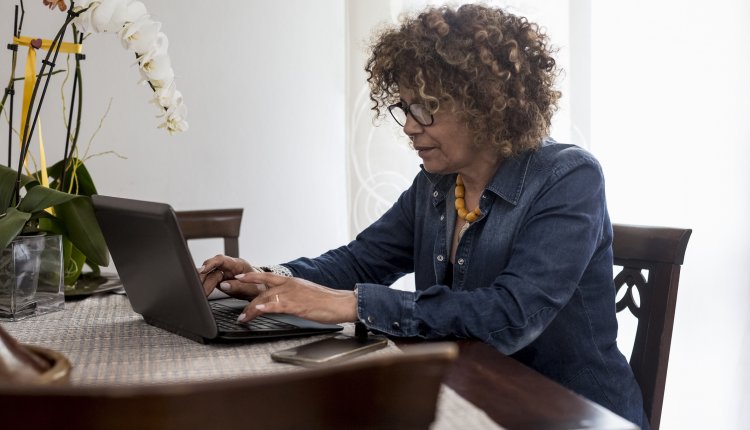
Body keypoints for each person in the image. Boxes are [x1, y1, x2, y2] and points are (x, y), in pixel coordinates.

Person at [199, 4, 648, 428]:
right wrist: (263, 278)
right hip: (469, 397)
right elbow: (359, 261)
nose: (411, 126)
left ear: (487, 106)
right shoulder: (436, 184)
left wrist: (354, 303)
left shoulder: (568, 177)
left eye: (426, 108)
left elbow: (512, 315)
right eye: (405, 107)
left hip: (569, 413)